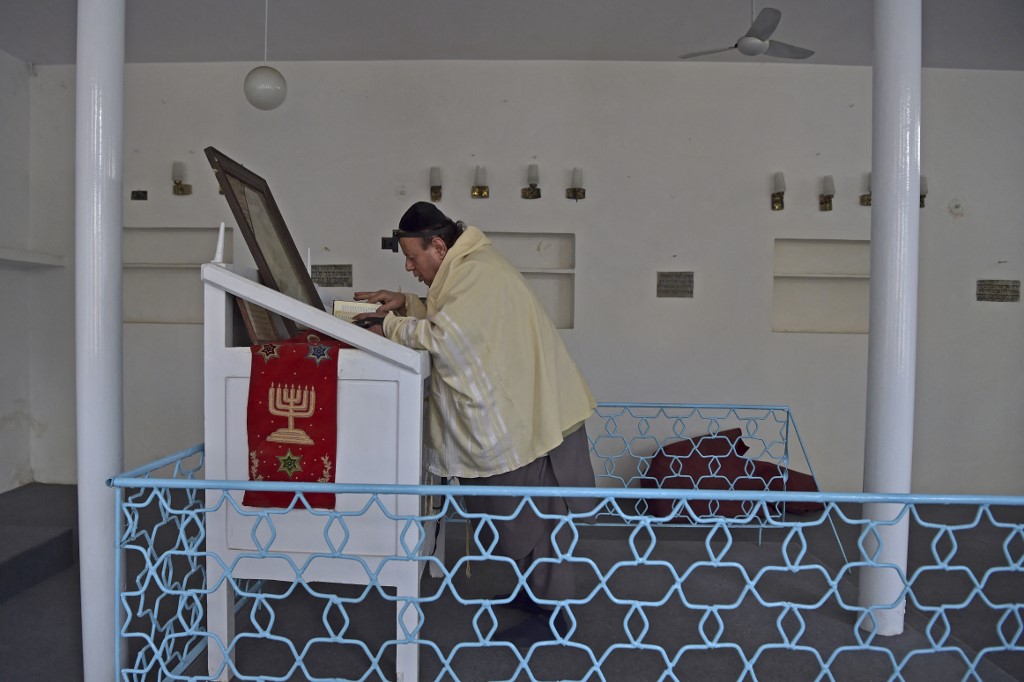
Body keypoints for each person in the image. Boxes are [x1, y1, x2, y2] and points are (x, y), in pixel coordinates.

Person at [354, 201, 597, 647]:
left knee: (541, 519)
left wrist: (389, 326)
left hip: (534, 420)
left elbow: (449, 338)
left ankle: (556, 615)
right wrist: (407, 304)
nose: (409, 267)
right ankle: (537, 595)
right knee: (522, 517)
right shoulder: (467, 270)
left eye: (413, 257)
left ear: (439, 245)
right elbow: (450, 315)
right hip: (531, 412)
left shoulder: (478, 273)